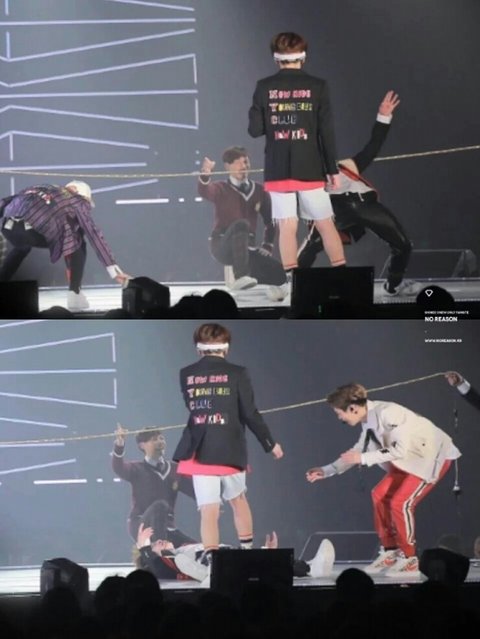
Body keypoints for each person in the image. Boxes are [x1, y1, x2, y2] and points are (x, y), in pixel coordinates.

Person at [306, 383, 461, 576]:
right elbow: (358, 450)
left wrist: (362, 458)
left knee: (400, 503)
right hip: (409, 461)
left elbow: (399, 450)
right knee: (379, 495)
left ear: (352, 408)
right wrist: (326, 470)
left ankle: (410, 558)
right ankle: (390, 550)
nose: (340, 418)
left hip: (431, 457)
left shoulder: (389, 413)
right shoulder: (368, 420)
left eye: (339, 413)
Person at [173, 323, 284, 567]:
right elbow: (249, 413)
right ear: (226, 347)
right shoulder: (237, 373)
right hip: (229, 448)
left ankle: (212, 560)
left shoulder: (186, 373)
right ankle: (247, 551)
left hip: (199, 448)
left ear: (198, 348)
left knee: (208, 509)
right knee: (238, 499)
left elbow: (192, 406)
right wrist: (270, 443)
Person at [297, 90, 422, 297]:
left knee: (403, 244)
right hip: (335, 208)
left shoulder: (346, 166)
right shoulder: (308, 171)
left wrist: (383, 117)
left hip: (365, 205)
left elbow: (372, 147)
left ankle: (393, 285)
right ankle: (293, 282)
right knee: (312, 244)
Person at [248, 31, 346, 285]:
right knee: (325, 224)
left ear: (275, 58)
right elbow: (326, 132)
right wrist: (332, 169)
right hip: (310, 166)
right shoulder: (318, 86)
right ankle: (343, 278)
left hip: (278, 167)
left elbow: (255, 130)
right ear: (303, 56)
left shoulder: (264, 86)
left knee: (287, 226)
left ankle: (293, 282)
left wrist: (264, 111)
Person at [0, 181, 130, 311]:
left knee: (21, 247)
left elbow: (4, 202)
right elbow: (93, 233)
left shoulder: (39, 187)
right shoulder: (77, 200)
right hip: (36, 231)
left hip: (9, 228)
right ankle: (75, 294)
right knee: (78, 239)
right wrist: (112, 268)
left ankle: (2, 283)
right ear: (82, 194)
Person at [198, 147, 288, 300]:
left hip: (246, 249)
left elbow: (270, 220)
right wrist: (205, 174)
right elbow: (205, 191)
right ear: (228, 166)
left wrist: (267, 244)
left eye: (246, 162)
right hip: (222, 244)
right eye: (238, 163)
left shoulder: (259, 190)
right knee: (241, 224)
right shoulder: (220, 188)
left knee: (278, 271)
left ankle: (267, 291)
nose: (243, 166)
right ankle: (240, 276)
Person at [135, 521, 336, 583]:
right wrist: (143, 547)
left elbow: (175, 532)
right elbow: (155, 566)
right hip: (218, 565)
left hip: (230, 558)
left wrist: (266, 552)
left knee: (260, 561)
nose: (158, 541)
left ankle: (310, 567)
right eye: (155, 545)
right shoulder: (169, 562)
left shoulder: (186, 547)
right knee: (183, 560)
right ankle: (210, 575)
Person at [112, 424, 196, 547]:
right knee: (160, 505)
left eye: (161, 438)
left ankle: (163, 548)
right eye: (154, 439)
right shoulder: (137, 468)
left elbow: (194, 490)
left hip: (167, 527)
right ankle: (160, 549)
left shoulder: (175, 469)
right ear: (142, 445)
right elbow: (119, 468)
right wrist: (119, 445)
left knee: (197, 549)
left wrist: (210, 503)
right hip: (141, 524)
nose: (160, 442)